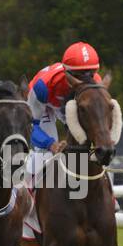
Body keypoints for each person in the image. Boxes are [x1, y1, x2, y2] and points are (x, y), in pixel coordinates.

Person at [26, 41, 103, 181]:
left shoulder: (96, 83)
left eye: (90, 74)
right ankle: (30, 188)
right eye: (79, 76)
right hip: (46, 104)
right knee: (46, 155)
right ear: (66, 72)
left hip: (66, 103)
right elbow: (30, 126)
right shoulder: (43, 86)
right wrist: (52, 145)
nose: (85, 81)